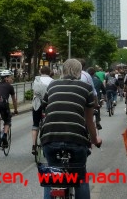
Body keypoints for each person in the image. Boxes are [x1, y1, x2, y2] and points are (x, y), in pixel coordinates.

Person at [41, 59, 102, 199]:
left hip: (50, 139)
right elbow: (89, 120)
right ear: (80, 73)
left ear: (62, 71)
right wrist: (95, 139)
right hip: (76, 139)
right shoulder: (86, 88)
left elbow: (45, 108)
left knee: (51, 176)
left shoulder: (52, 85)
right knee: (80, 177)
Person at [0, 70, 18, 147]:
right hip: (3, 104)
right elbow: (14, 101)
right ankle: (4, 136)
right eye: (11, 77)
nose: (12, 79)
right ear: (6, 78)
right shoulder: (10, 87)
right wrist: (15, 110)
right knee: (7, 120)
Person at [31, 66, 54, 156]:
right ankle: (47, 144)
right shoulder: (52, 82)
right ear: (49, 72)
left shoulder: (36, 80)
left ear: (41, 72)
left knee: (35, 124)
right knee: (49, 124)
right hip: (48, 105)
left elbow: (34, 93)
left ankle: (33, 145)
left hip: (37, 105)